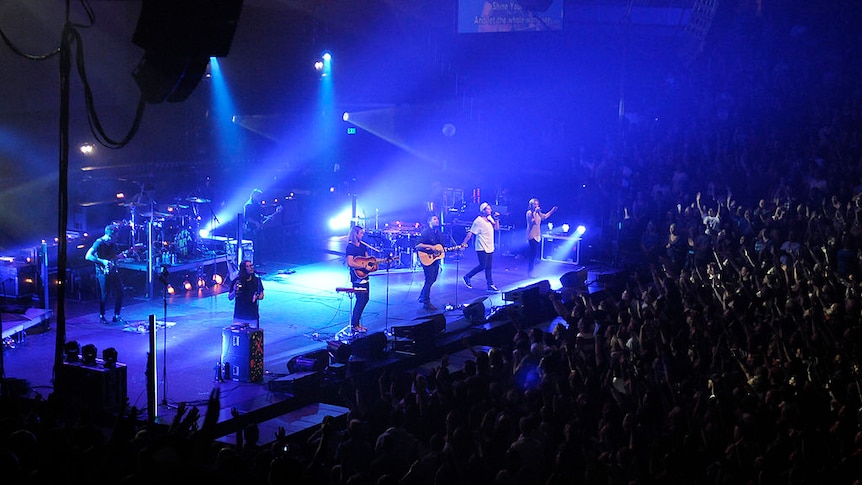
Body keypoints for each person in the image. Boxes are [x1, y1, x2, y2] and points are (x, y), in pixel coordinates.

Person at [414, 214, 458, 310]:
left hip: (435, 259)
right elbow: (418, 245)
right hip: (426, 258)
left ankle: (422, 296)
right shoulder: (426, 232)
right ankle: (426, 302)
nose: (437, 220)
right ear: (429, 221)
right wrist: (431, 247)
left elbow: (441, 247)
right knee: (429, 279)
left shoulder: (439, 233)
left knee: (432, 279)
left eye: (437, 219)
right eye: (434, 219)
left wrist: (452, 249)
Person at [85, 223, 126, 324]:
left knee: (120, 291)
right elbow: (88, 256)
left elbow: (113, 257)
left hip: (112, 270)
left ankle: (117, 315)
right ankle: (102, 315)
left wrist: (121, 257)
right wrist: (102, 261)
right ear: (110, 235)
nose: (116, 239)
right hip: (102, 271)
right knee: (105, 294)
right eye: (115, 236)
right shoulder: (99, 243)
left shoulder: (113, 244)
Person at [461, 202, 501, 291]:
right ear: (483, 210)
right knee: (483, 265)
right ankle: (467, 276)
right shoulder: (478, 221)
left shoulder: (490, 218)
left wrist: (497, 219)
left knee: (489, 266)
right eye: (488, 208)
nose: (490, 210)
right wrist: (463, 244)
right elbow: (470, 234)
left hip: (490, 246)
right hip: (481, 246)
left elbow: (497, 229)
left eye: (490, 208)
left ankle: (490, 285)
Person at [346, 225, 371, 333]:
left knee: (365, 299)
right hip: (357, 277)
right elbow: (350, 262)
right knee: (360, 300)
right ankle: (355, 324)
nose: (362, 235)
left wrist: (372, 264)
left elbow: (367, 259)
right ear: (355, 234)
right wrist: (363, 267)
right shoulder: (350, 247)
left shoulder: (363, 246)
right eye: (361, 233)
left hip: (365, 276)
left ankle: (357, 323)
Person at [525, 198, 558, 277]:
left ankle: (532, 271)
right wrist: (535, 213)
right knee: (533, 254)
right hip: (532, 235)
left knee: (535, 254)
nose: (536, 205)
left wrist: (552, 210)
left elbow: (545, 216)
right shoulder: (529, 213)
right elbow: (534, 222)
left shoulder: (538, 213)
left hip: (538, 234)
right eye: (534, 204)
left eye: (537, 204)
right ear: (531, 205)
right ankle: (530, 272)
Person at [228, 260, 265, 328]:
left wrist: (256, 296)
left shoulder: (257, 280)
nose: (251, 268)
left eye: (251, 265)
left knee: (253, 336)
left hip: (252, 315)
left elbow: (262, 296)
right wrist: (234, 290)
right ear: (243, 269)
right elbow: (230, 297)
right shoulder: (237, 281)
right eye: (248, 266)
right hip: (239, 315)